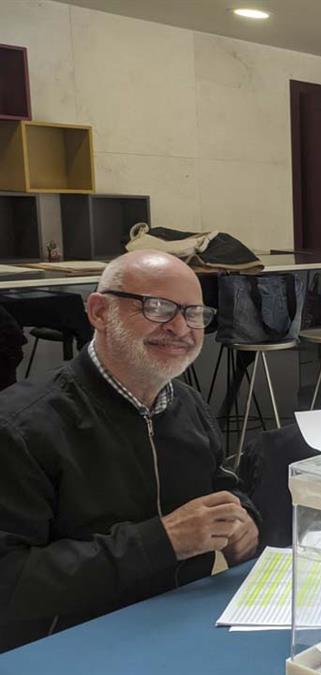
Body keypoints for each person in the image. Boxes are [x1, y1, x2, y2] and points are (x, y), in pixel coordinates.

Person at [0, 251, 261, 652]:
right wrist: (162, 541)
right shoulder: (21, 427)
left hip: (183, 622)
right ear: (100, 312)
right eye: (156, 308)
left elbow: (224, 488)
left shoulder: (186, 403)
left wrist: (243, 524)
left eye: (194, 314)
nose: (180, 328)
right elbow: (10, 579)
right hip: (70, 644)